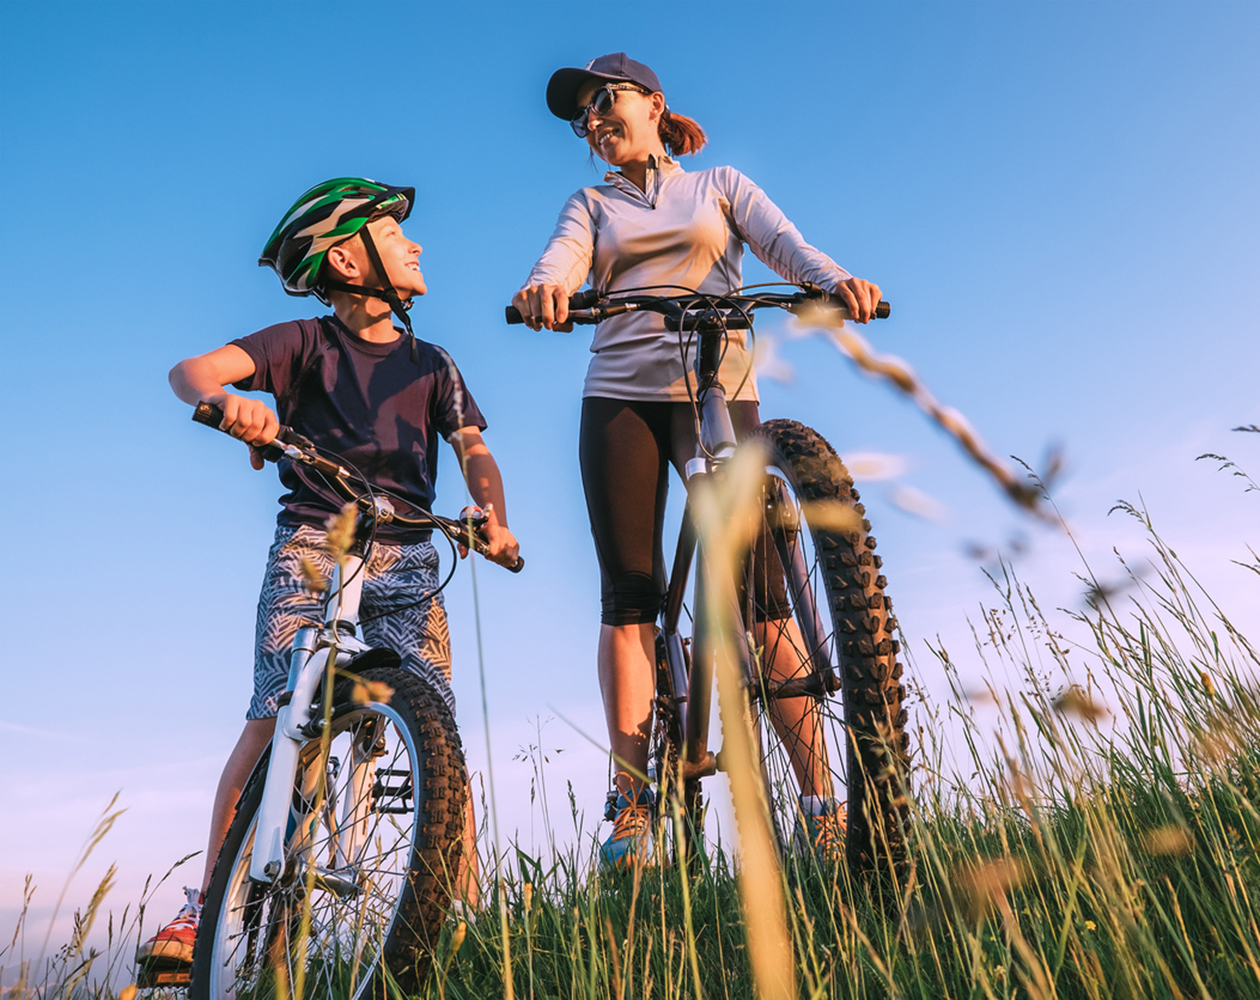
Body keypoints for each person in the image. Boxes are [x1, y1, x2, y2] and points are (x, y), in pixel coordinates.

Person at [136, 177, 518, 969]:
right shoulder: (302, 344)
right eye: (393, 232)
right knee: (280, 712)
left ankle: (463, 916)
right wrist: (227, 402)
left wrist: (492, 517)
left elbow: (473, 449)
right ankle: (212, 905)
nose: (415, 245)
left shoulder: (432, 363)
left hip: (411, 554)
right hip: (317, 544)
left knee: (436, 726)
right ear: (346, 256)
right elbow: (191, 371)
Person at [512, 53, 882, 869]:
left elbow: (785, 244)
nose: (594, 122)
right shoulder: (592, 202)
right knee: (631, 594)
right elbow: (564, 258)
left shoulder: (718, 184)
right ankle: (633, 798)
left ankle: (821, 802)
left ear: (653, 103)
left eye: (605, 102)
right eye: (583, 119)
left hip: (722, 388)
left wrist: (835, 281)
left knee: (764, 589)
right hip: (623, 398)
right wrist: (545, 289)